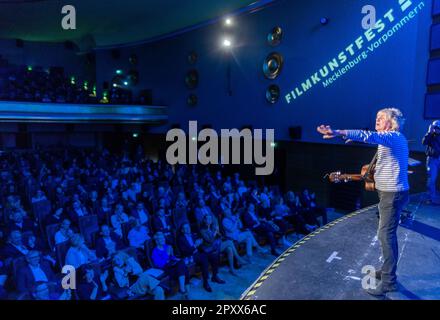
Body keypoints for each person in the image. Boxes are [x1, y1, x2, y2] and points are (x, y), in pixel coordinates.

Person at [317, 107, 409, 296]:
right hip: (388, 194)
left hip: (392, 195)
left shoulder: (394, 136)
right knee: (385, 234)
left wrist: (338, 132)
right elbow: (368, 137)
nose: (377, 120)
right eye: (376, 117)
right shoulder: (388, 140)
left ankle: (389, 281)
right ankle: (386, 271)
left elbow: (366, 135)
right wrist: (349, 138)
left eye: (381, 118)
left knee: (385, 236)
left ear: (391, 122)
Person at [422, 120, 440, 204]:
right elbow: (424, 142)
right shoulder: (430, 136)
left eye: (438, 127)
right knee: (431, 179)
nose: (436, 129)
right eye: (435, 127)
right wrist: (429, 132)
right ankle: (431, 198)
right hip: (432, 159)